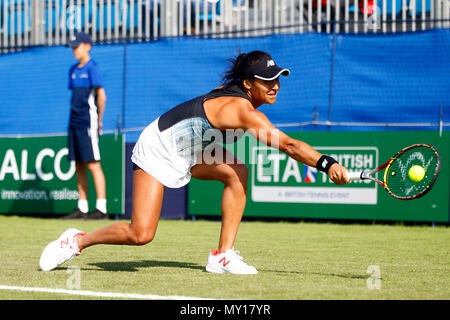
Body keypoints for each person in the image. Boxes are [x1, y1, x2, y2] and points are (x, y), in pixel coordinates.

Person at [39, 50, 349, 274]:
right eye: (266, 79)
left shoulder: (243, 102)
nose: (275, 85)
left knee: (239, 171)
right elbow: (289, 144)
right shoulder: (241, 110)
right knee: (141, 234)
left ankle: (222, 256)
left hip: (192, 150)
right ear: (247, 84)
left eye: (278, 78)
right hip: (159, 147)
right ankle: (77, 241)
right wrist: (327, 163)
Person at [62, 32, 108, 220]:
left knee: (93, 164)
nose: (74, 50)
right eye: (73, 47)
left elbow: (101, 96)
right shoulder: (73, 69)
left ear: (87, 46)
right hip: (73, 123)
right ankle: (82, 208)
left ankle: (101, 209)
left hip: (88, 123)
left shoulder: (92, 68)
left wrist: (98, 121)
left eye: (77, 46)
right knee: (78, 164)